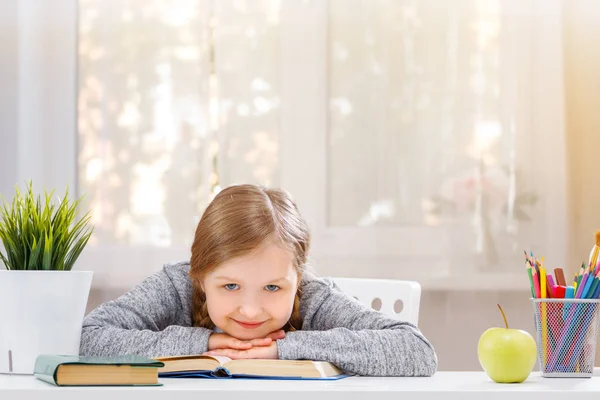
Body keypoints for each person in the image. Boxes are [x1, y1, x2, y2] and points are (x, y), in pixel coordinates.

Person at [80, 184, 438, 376]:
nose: (250, 310)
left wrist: (284, 349)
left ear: (297, 279)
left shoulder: (313, 296)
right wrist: (204, 342)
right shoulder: (176, 285)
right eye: (230, 286)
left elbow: (416, 351)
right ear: (200, 275)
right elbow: (88, 338)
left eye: (273, 287)